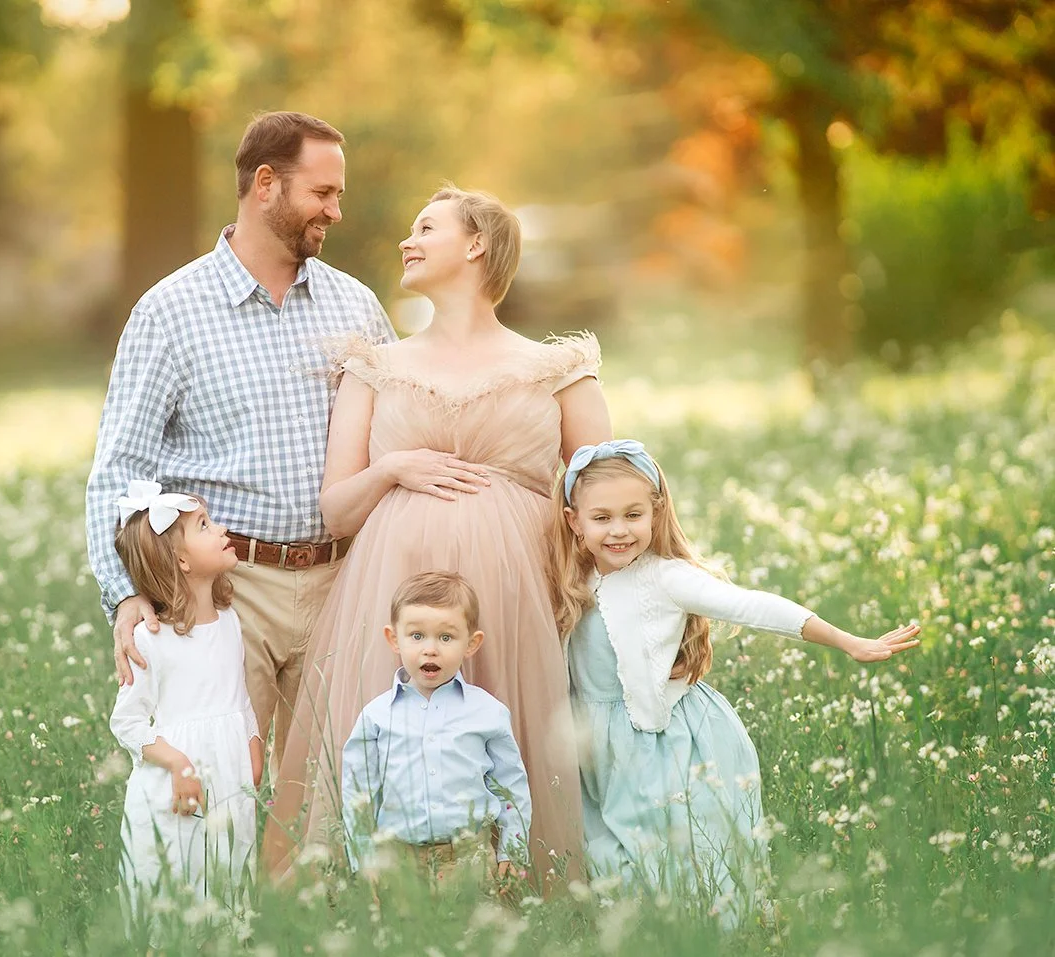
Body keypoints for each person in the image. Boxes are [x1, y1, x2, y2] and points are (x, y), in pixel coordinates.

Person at [264, 185, 613, 882]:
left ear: (477, 243)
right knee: (392, 738)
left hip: (513, 589)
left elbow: (606, 495)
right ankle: (377, 886)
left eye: (426, 227)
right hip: (395, 583)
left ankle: (515, 880)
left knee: (502, 737)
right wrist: (393, 466)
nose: (406, 240)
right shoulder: (376, 366)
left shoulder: (559, 369)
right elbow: (337, 509)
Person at [86, 112, 395, 766]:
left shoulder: (357, 307)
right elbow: (121, 467)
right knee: (219, 788)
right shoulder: (171, 311)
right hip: (226, 590)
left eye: (338, 194)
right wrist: (125, 593)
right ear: (265, 184)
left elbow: (398, 431)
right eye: (323, 192)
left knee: (331, 795)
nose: (337, 210)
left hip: (343, 582)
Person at [551, 440, 921, 920]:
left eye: (633, 514)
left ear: (656, 513)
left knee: (673, 844)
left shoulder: (667, 578)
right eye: (602, 518)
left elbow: (751, 605)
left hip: (665, 739)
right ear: (573, 522)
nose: (619, 530)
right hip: (596, 742)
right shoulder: (570, 582)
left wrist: (848, 640)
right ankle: (637, 928)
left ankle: (708, 927)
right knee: (604, 843)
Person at [108, 481, 262, 939]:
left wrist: (253, 744)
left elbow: (239, 696)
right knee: (178, 877)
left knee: (230, 874)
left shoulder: (230, 621)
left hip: (231, 773)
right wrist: (178, 762)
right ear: (181, 561)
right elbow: (128, 721)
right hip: (178, 782)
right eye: (205, 525)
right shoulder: (149, 638)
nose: (222, 529)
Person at [341, 572, 533, 884]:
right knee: (403, 933)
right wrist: (363, 861)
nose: (430, 649)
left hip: (468, 859)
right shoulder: (376, 717)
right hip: (398, 861)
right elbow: (358, 793)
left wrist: (512, 850)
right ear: (393, 639)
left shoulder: (488, 713)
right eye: (417, 636)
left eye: (446, 637)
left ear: (471, 644)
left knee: (470, 933)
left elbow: (511, 787)